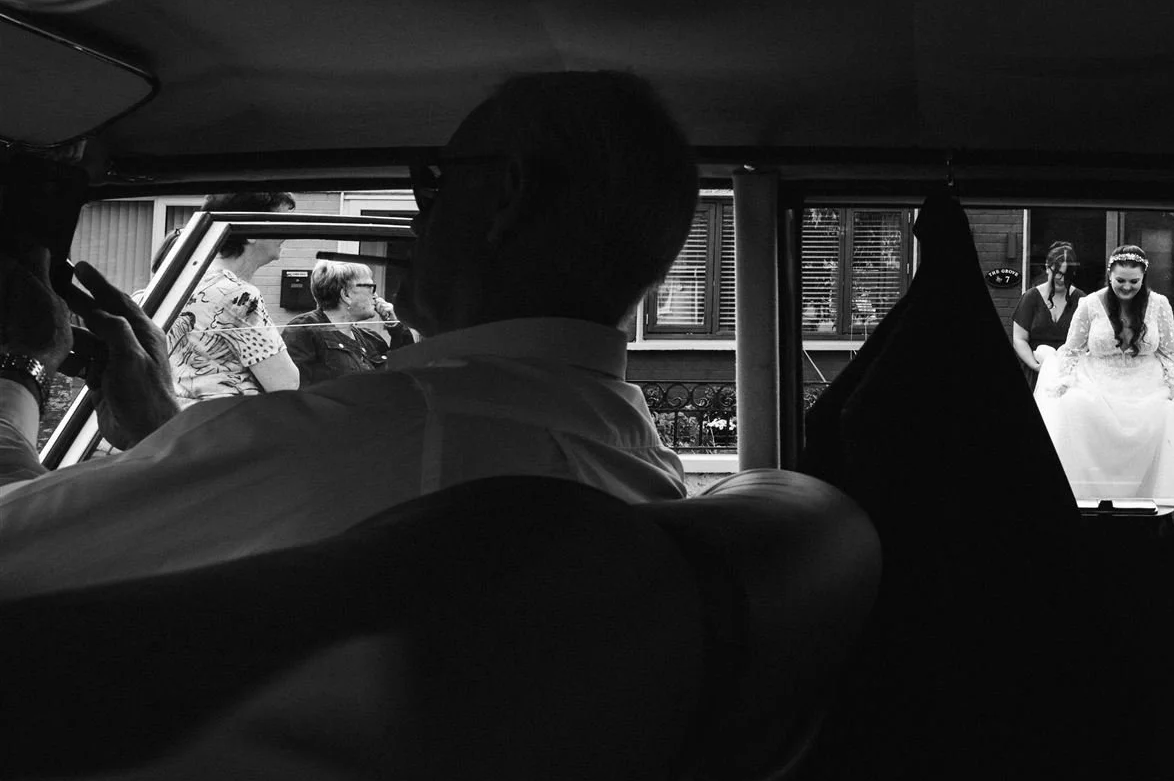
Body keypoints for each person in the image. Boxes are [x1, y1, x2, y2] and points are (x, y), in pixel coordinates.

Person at [0, 70, 700, 600]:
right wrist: (164, 430)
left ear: (506, 195)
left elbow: (14, 546)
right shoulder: (635, 455)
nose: (420, 216)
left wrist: (21, 365)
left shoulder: (384, 431)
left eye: (435, 180)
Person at [1036, 243, 1174, 499]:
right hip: (1098, 384)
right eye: (1120, 280)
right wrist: (1064, 382)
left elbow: (1170, 352)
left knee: (1168, 412)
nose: (1126, 287)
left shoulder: (1159, 304)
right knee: (1074, 405)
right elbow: (1072, 350)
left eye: (1134, 281)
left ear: (1144, 277)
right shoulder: (1089, 304)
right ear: (1109, 276)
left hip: (1146, 386)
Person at [163, 191, 300, 403]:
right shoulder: (238, 295)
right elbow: (285, 383)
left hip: (182, 423)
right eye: (281, 222)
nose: (287, 234)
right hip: (229, 425)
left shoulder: (182, 281)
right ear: (251, 231)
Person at [282, 259, 414, 385]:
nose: (376, 295)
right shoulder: (304, 330)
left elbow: (402, 376)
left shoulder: (371, 339)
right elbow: (294, 394)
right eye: (371, 288)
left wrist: (396, 327)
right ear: (346, 295)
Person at [1009, 241, 1081, 384]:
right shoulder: (1030, 298)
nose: (1061, 279)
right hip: (1035, 372)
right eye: (1058, 273)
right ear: (1047, 267)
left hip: (1068, 375)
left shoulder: (1081, 299)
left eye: (1067, 275)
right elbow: (1019, 339)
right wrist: (1035, 366)